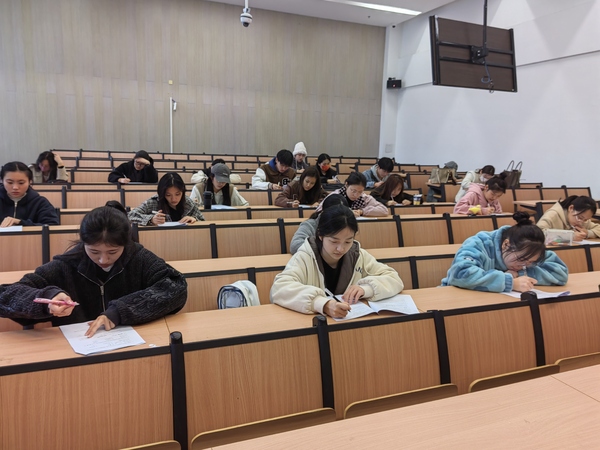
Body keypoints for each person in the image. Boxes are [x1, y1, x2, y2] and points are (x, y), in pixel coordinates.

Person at [0, 206, 187, 336]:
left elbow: (176, 287)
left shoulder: (139, 258)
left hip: (133, 348)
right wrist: (47, 299)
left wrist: (120, 311)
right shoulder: (65, 265)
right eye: (94, 252)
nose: (103, 260)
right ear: (84, 243)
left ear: (125, 244)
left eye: (112, 252)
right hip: (76, 354)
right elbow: (5, 297)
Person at [271, 205, 404, 318]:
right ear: (320, 235)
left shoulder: (358, 255)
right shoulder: (305, 256)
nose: (341, 249)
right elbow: (279, 289)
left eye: (348, 241)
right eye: (334, 241)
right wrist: (322, 304)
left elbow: (394, 278)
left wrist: (366, 289)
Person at [442, 212, 568, 292]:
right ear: (506, 244)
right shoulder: (480, 243)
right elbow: (461, 273)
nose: (523, 266)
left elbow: (561, 273)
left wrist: (519, 274)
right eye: (521, 260)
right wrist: (510, 282)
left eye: (531, 262)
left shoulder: (534, 248)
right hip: (457, 298)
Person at [128, 172, 204, 225]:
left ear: (183, 192)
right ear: (162, 193)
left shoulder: (188, 203)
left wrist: (194, 219)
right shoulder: (153, 202)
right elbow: (130, 215)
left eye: (177, 194)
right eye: (168, 195)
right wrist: (151, 219)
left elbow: (203, 221)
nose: (174, 199)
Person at [0, 161, 59, 227]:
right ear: (2, 180)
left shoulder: (40, 203)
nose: (15, 187)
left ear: (30, 181)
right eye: (10, 182)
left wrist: (21, 222)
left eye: (21, 183)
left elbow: (52, 226)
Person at [317, 172, 388, 217]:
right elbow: (319, 212)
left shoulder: (364, 198)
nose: (356, 195)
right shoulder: (335, 196)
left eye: (360, 192)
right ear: (346, 185)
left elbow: (384, 210)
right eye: (353, 191)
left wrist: (362, 211)